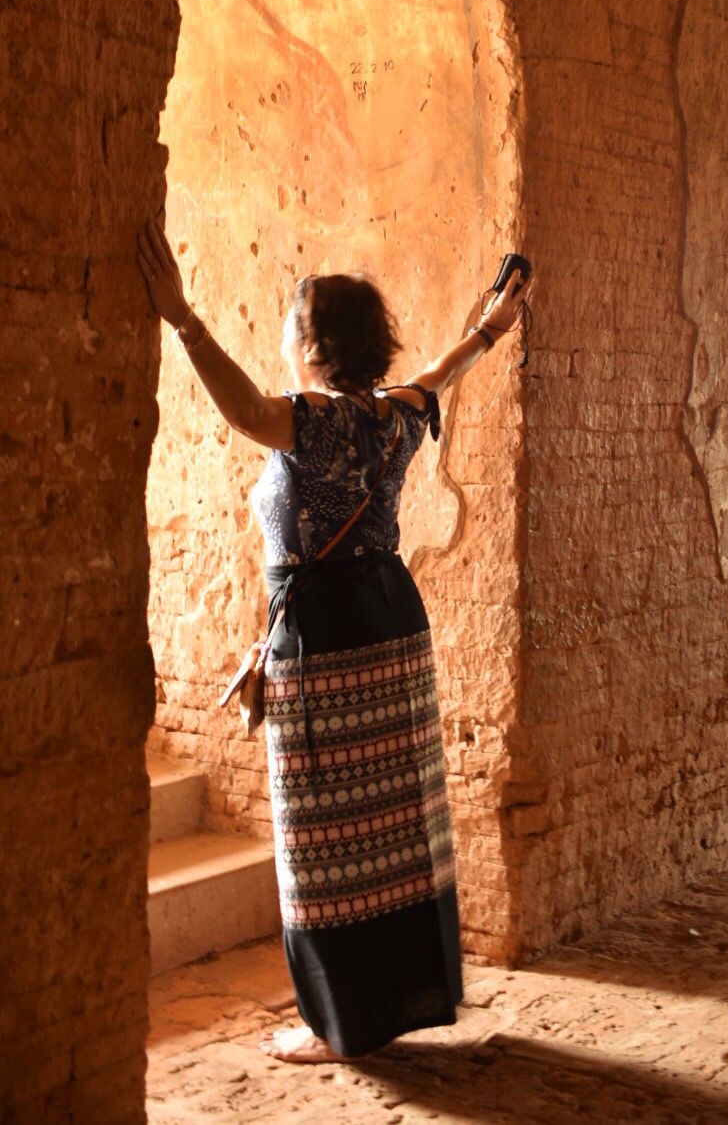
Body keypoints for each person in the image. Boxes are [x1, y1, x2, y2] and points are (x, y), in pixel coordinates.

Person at [136, 218, 534, 1063]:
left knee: (320, 840)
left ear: (312, 343)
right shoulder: (396, 415)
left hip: (324, 640)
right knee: (390, 830)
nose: (284, 335)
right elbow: (442, 372)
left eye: (291, 324)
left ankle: (339, 1023)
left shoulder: (311, 422)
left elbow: (244, 409)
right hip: (390, 623)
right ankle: (384, 1003)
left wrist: (183, 319)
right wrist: (489, 332)